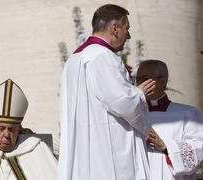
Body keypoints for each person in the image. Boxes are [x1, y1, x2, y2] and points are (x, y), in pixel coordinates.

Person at [58, 4, 158, 180]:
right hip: (108, 155)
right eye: (127, 29)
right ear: (115, 28)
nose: (128, 36)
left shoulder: (74, 60)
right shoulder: (103, 56)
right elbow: (121, 102)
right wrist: (140, 93)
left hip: (85, 154)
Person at [137, 60, 203, 180]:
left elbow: (199, 148)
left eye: (146, 78)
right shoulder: (132, 114)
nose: (141, 84)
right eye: (138, 79)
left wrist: (165, 145)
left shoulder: (188, 114)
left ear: (163, 81)